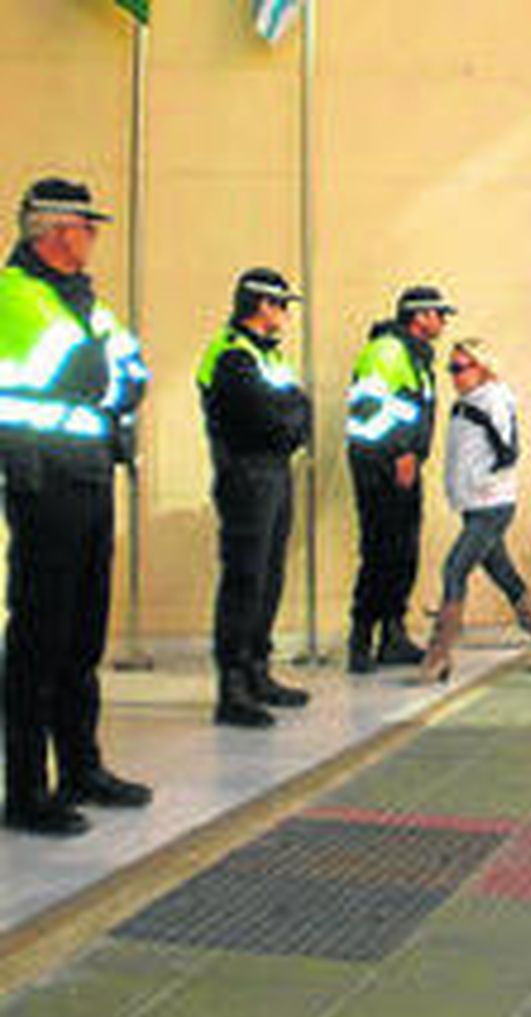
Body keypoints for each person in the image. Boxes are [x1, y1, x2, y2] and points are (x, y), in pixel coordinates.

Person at [0, 178, 151, 836]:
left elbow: (133, 372)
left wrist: (112, 378)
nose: (92, 237)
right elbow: (88, 372)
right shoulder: (14, 295)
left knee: (83, 635)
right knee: (40, 636)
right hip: (43, 480)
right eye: (86, 226)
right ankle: (26, 789)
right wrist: (109, 377)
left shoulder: (83, 299)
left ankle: (81, 767)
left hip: (88, 473)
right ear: (55, 229)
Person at [196, 268, 313, 728]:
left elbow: (299, 410)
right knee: (245, 578)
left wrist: (291, 419)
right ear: (261, 305)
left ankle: (257, 671)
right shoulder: (232, 356)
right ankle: (233, 688)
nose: (285, 314)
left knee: (269, 574)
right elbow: (264, 419)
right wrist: (290, 419)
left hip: (274, 472)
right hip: (246, 474)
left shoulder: (268, 356)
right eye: (281, 305)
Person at [419, 340, 531, 681]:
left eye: (460, 368)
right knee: (502, 572)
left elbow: (508, 451)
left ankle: (440, 653)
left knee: (455, 569)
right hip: (472, 504)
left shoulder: (494, 399)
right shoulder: (464, 404)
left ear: (482, 368)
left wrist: (484, 483)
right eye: (451, 368)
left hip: (492, 505)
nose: (454, 376)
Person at [345, 286, 452, 672]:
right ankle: (361, 640)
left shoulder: (414, 355)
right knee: (380, 552)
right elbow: (366, 410)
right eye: (439, 314)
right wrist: (400, 452)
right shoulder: (387, 351)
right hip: (381, 467)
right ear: (419, 316)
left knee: (402, 553)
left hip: (402, 466)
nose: (443, 322)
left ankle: (393, 635)